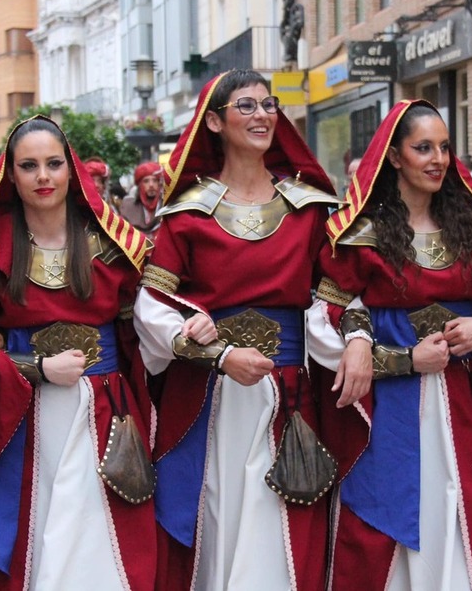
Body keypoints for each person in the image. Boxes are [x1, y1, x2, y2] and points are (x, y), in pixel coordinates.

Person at [133, 70, 343, 590]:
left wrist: (355, 341)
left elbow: (338, 296)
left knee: (284, 528)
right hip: (211, 398)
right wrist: (214, 352)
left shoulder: (311, 209)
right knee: (218, 521)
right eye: (245, 106)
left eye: (268, 104)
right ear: (214, 122)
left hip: (291, 396)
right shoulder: (185, 217)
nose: (262, 114)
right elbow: (152, 306)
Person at [308, 99, 472, 590]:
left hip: (465, 403)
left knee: (467, 513)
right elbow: (324, 318)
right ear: (395, 157)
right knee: (386, 518)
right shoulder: (359, 235)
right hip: (388, 410)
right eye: (423, 148)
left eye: (444, 148)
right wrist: (387, 352)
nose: (437, 159)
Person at [0, 115, 155, 590]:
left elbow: (141, 339)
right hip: (23, 420)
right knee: (37, 541)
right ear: (11, 177)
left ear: (71, 171)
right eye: (29, 166)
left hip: (105, 418)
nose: (43, 176)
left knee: (101, 545)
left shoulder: (118, 249)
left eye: (54, 164)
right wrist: (23, 360)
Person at [120, 161, 163, 236]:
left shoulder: (167, 206)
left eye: (155, 180)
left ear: (159, 183)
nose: (151, 185)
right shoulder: (128, 207)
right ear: (140, 185)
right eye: (146, 181)